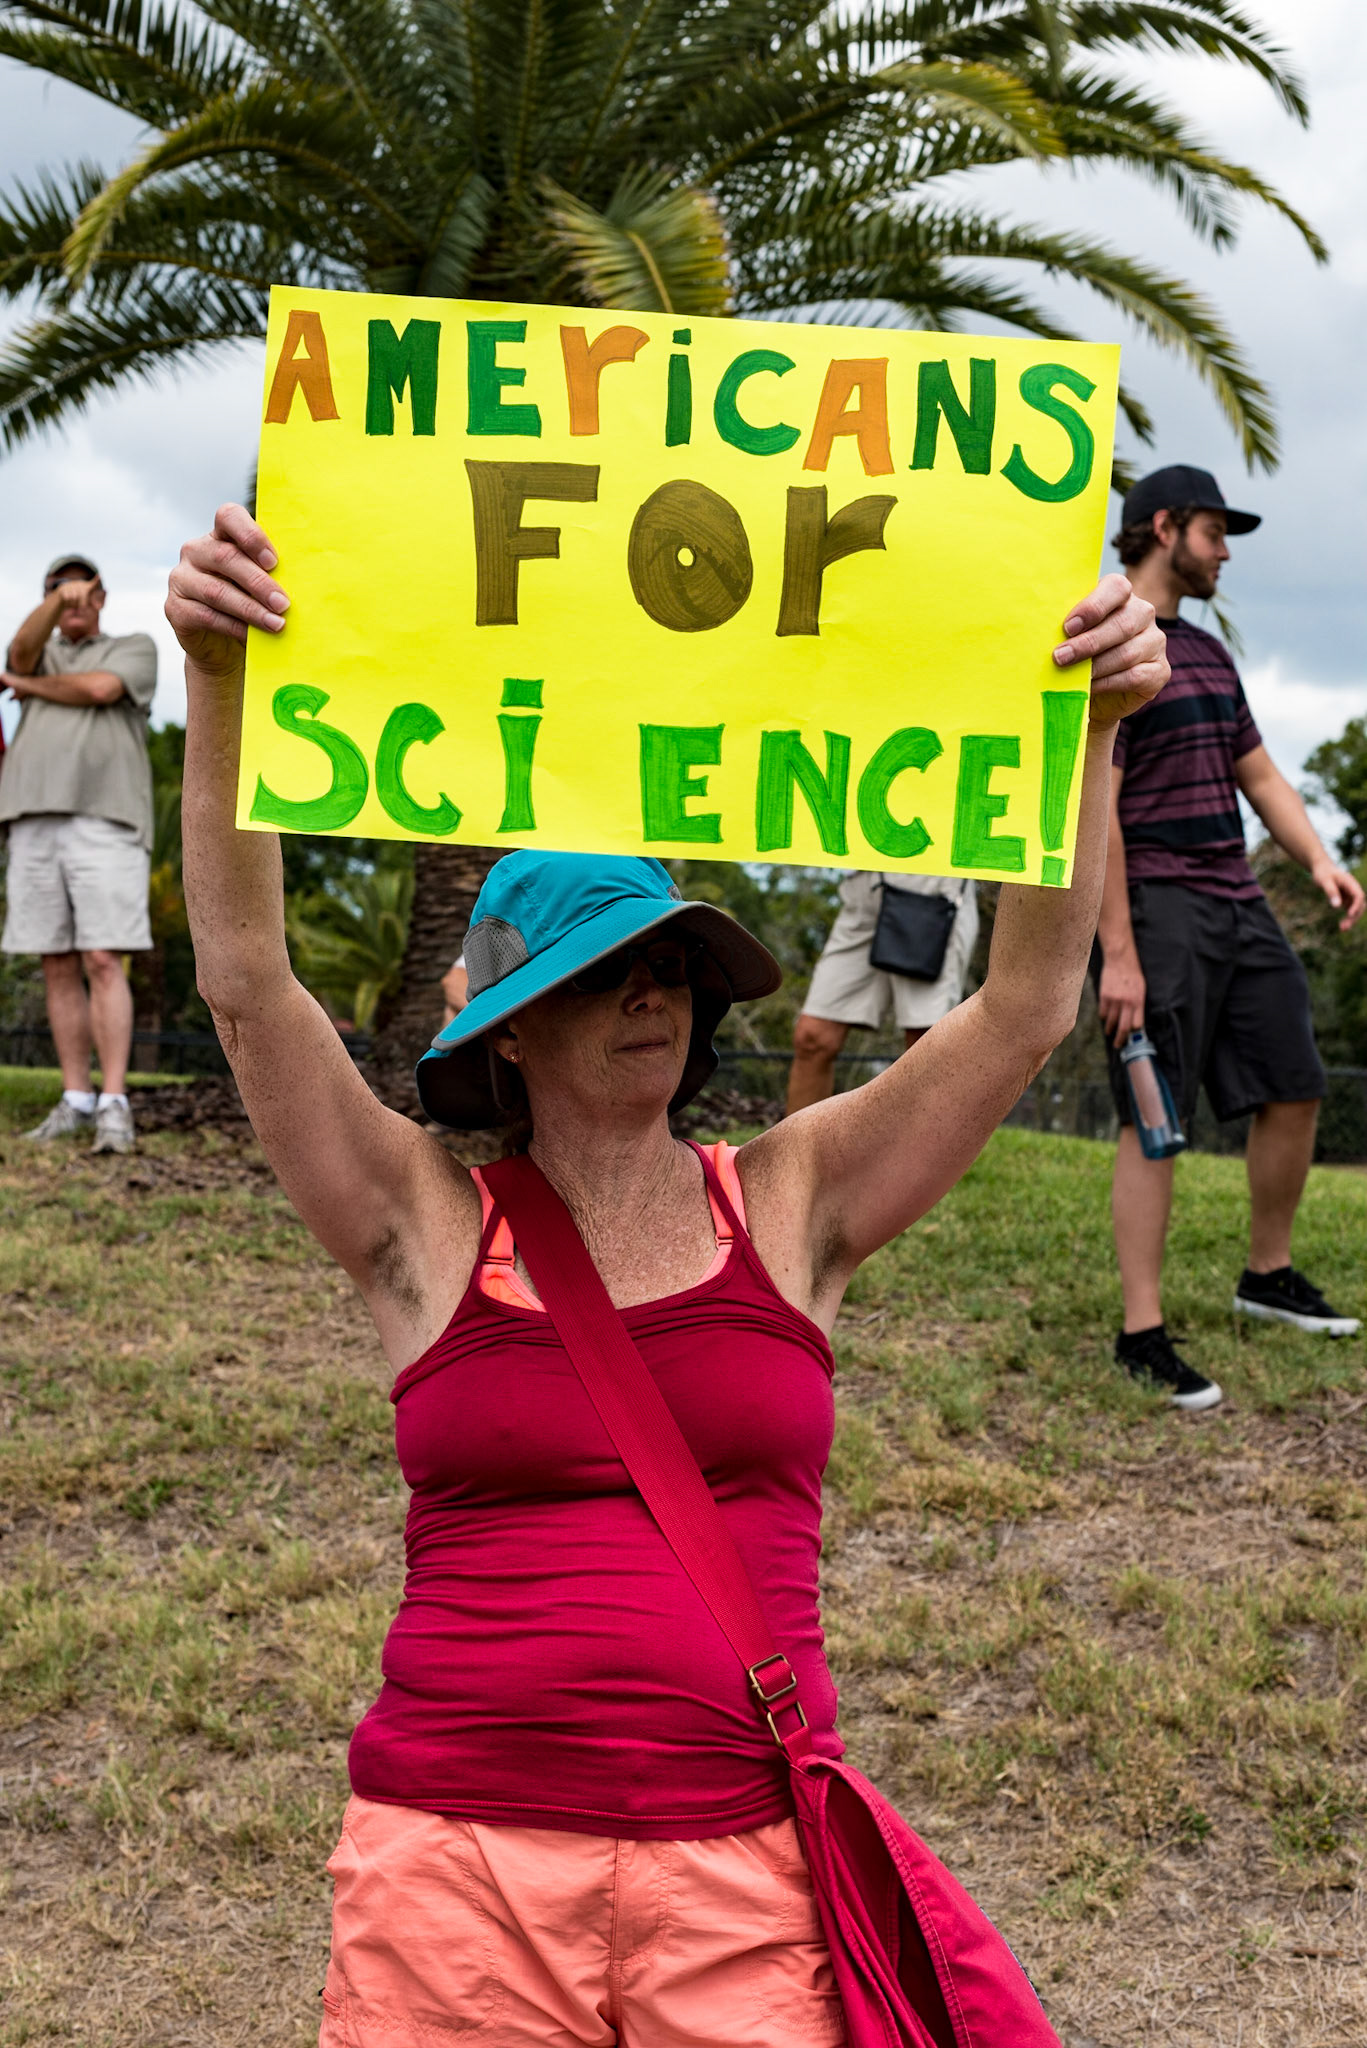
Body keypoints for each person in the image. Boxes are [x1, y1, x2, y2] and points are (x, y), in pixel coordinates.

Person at [167, 501, 1163, 2045]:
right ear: (506, 1031)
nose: (654, 995)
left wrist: (1083, 732)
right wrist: (222, 677)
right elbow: (242, 980)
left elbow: (1025, 1002)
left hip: (742, 1876)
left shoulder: (794, 1198)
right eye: (601, 975)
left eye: (672, 965)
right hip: (456, 1879)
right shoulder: (422, 1221)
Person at [1096, 465, 1363, 1413]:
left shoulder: (1206, 652)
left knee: (1294, 1083)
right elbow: (1101, 809)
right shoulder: (1109, 646)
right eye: (1214, 532)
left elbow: (1260, 775)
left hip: (1236, 897)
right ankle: (1140, 1330)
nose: (1224, 551)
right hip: (1158, 905)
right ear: (1163, 527)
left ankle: (1266, 1274)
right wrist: (1117, 953)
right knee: (1154, 1116)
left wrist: (1318, 861)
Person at [1, 553, 157, 1153]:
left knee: (100, 957)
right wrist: (60, 599)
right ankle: (75, 1098)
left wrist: (24, 689)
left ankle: (114, 1102)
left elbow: (99, 689)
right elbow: (18, 653)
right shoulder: (37, 654)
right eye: (54, 592)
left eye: (80, 591)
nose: (69, 602)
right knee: (56, 962)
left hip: (107, 821)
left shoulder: (133, 646)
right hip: (32, 820)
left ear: (102, 596)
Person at [786, 874, 977, 1113]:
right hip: (865, 888)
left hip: (932, 891)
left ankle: (919, 1149)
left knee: (926, 1048)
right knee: (813, 1038)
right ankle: (798, 1149)